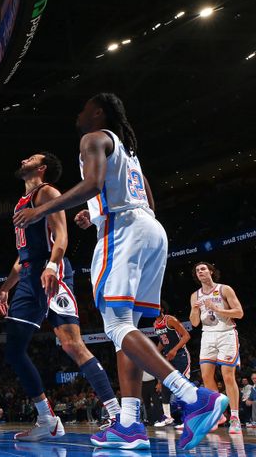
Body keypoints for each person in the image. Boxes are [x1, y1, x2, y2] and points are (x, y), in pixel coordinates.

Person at [13, 93, 227, 450]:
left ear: (98, 113)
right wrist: (95, 214)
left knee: (115, 325)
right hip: (150, 229)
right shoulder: (129, 152)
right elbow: (144, 200)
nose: (78, 115)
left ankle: (192, 397)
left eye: (83, 109)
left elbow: (95, 184)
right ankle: (129, 423)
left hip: (124, 231)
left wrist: (41, 211)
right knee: (123, 328)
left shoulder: (93, 138)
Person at [0, 152, 120, 441]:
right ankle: (48, 420)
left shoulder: (47, 192)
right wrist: (5, 286)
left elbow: (62, 235)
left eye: (31, 158)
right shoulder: (22, 203)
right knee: (18, 349)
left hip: (49, 272)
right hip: (29, 273)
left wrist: (52, 266)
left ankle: (115, 414)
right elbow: (22, 255)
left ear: (42, 168)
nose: (23, 159)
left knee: (72, 345)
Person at [189, 262, 244, 434]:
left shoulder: (224, 289)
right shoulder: (195, 295)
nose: (200, 272)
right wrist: (194, 309)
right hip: (207, 335)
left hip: (226, 333)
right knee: (206, 376)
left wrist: (217, 309)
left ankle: (235, 417)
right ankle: (219, 415)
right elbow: (195, 323)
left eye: (203, 269)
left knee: (228, 376)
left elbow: (239, 313)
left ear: (211, 271)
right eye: (198, 271)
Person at [152, 307, 191, 428]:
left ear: (161, 308)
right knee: (165, 385)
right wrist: (155, 352)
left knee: (182, 386)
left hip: (180, 355)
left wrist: (174, 350)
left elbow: (186, 336)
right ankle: (168, 417)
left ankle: (187, 419)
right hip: (168, 357)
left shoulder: (170, 319)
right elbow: (162, 342)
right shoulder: (155, 324)